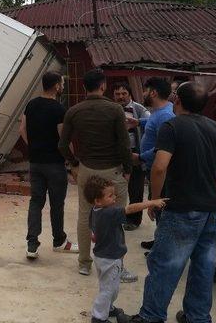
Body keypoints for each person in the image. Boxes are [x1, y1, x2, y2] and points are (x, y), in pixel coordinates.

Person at [129, 82, 216, 323]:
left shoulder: (171, 126)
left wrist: (155, 200)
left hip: (181, 209)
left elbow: (159, 167)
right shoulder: (215, 127)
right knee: (203, 266)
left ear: (177, 101)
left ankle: (150, 317)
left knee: (165, 264)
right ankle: (197, 317)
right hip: (211, 212)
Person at [59, 68, 133, 278]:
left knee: (85, 217)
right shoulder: (115, 110)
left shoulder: (73, 111)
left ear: (84, 87)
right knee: (116, 218)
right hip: (112, 171)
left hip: (86, 169)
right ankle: (117, 265)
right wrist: (127, 170)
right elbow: (124, 145)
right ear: (103, 86)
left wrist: (74, 165)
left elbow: (62, 145)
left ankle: (84, 263)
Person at [84, 175, 168, 323]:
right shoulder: (109, 213)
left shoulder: (95, 211)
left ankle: (108, 309)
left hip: (102, 256)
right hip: (110, 259)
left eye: (114, 194)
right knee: (108, 289)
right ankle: (98, 317)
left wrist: (98, 236)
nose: (114, 197)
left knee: (111, 287)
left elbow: (92, 231)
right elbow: (130, 208)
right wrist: (151, 202)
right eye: (110, 196)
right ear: (98, 200)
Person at [19, 71, 78, 259]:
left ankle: (32, 244)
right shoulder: (59, 109)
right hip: (54, 164)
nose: (63, 86)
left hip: (35, 163)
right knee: (56, 204)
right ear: (56, 86)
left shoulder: (31, 104)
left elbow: (22, 129)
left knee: (36, 202)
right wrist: (73, 161)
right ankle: (59, 241)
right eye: (61, 83)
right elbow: (64, 139)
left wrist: (34, 147)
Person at [130, 77, 174, 252]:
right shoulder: (160, 111)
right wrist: (139, 122)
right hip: (151, 165)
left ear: (153, 92)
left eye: (146, 90)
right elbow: (154, 123)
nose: (144, 94)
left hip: (158, 168)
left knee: (160, 206)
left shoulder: (165, 115)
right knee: (160, 209)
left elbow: (161, 148)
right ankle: (159, 240)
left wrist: (140, 157)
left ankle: (163, 248)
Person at [113, 82, 150, 230]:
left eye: (124, 94)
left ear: (130, 94)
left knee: (136, 189)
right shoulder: (112, 109)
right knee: (115, 189)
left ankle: (134, 220)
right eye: (117, 94)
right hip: (116, 154)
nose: (121, 97)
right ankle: (116, 217)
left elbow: (150, 128)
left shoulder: (141, 110)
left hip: (135, 153)